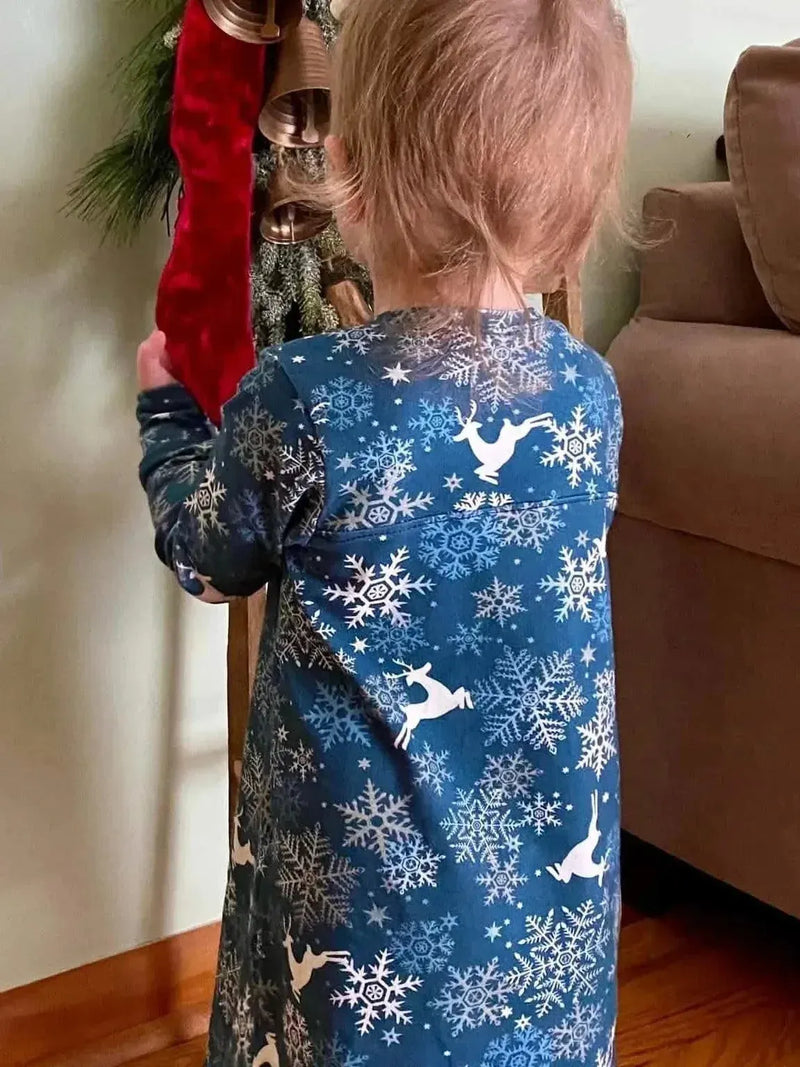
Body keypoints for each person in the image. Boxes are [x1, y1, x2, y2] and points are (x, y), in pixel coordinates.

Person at [136, 0, 632, 1063]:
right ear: (579, 210)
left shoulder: (308, 399)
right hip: (544, 922)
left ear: (346, 166)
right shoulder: (588, 396)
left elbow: (207, 553)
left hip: (360, 931)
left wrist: (168, 416)